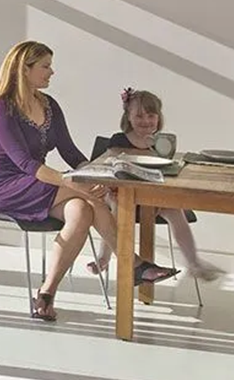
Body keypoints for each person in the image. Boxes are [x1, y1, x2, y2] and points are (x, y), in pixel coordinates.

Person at [0, 42, 176, 322]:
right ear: (25, 69)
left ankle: (46, 294)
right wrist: (74, 183)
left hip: (41, 186)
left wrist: (96, 175)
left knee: (82, 210)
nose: (52, 72)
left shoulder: (49, 105)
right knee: (87, 197)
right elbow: (25, 163)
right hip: (5, 187)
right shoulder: (3, 108)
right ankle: (132, 264)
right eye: (45, 66)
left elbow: (70, 153)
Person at [86, 88, 219, 281]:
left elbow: (166, 173)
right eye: (139, 116)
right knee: (116, 205)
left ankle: (193, 262)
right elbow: (111, 170)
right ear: (128, 117)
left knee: (176, 211)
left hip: (152, 198)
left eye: (151, 115)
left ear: (158, 118)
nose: (145, 121)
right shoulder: (119, 140)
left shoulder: (163, 143)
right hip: (121, 194)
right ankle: (104, 257)